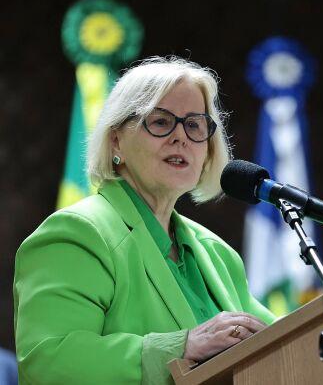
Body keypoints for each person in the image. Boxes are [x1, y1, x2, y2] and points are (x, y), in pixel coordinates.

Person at [13, 56, 276, 385]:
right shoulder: (76, 234)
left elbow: (286, 343)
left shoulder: (218, 255)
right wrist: (179, 347)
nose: (180, 137)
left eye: (194, 125)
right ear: (116, 140)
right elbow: (47, 361)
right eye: (161, 121)